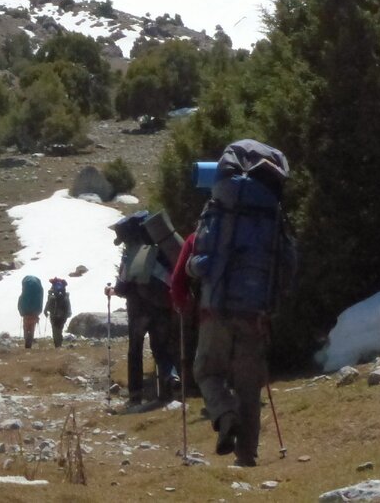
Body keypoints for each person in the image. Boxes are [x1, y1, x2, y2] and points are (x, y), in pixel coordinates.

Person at [173, 140, 295, 468]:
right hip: (255, 312)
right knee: (249, 386)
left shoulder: (219, 208)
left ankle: (225, 417)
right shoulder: (272, 213)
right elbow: (288, 262)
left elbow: (198, 261)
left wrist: (190, 269)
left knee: (206, 370)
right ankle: (247, 457)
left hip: (216, 308)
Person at [106, 212, 179, 406]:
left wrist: (112, 291)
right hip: (163, 307)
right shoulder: (159, 249)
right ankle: (170, 383)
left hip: (138, 311)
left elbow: (122, 286)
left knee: (135, 350)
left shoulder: (131, 253)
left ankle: (135, 396)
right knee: (161, 349)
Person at [44, 277, 72, 348]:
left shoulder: (52, 294)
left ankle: (57, 344)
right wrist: (68, 312)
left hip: (53, 314)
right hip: (63, 315)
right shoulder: (64, 294)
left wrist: (46, 310)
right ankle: (59, 343)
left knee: (55, 329)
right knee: (60, 328)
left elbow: (48, 302)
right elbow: (68, 303)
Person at [18, 275, 44, 349]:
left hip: (26, 313)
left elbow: (20, 303)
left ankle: (27, 343)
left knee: (26, 328)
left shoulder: (25, 293)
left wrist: (21, 312)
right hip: (34, 313)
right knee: (32, 328)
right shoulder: (38, 291)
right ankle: (29, 343)